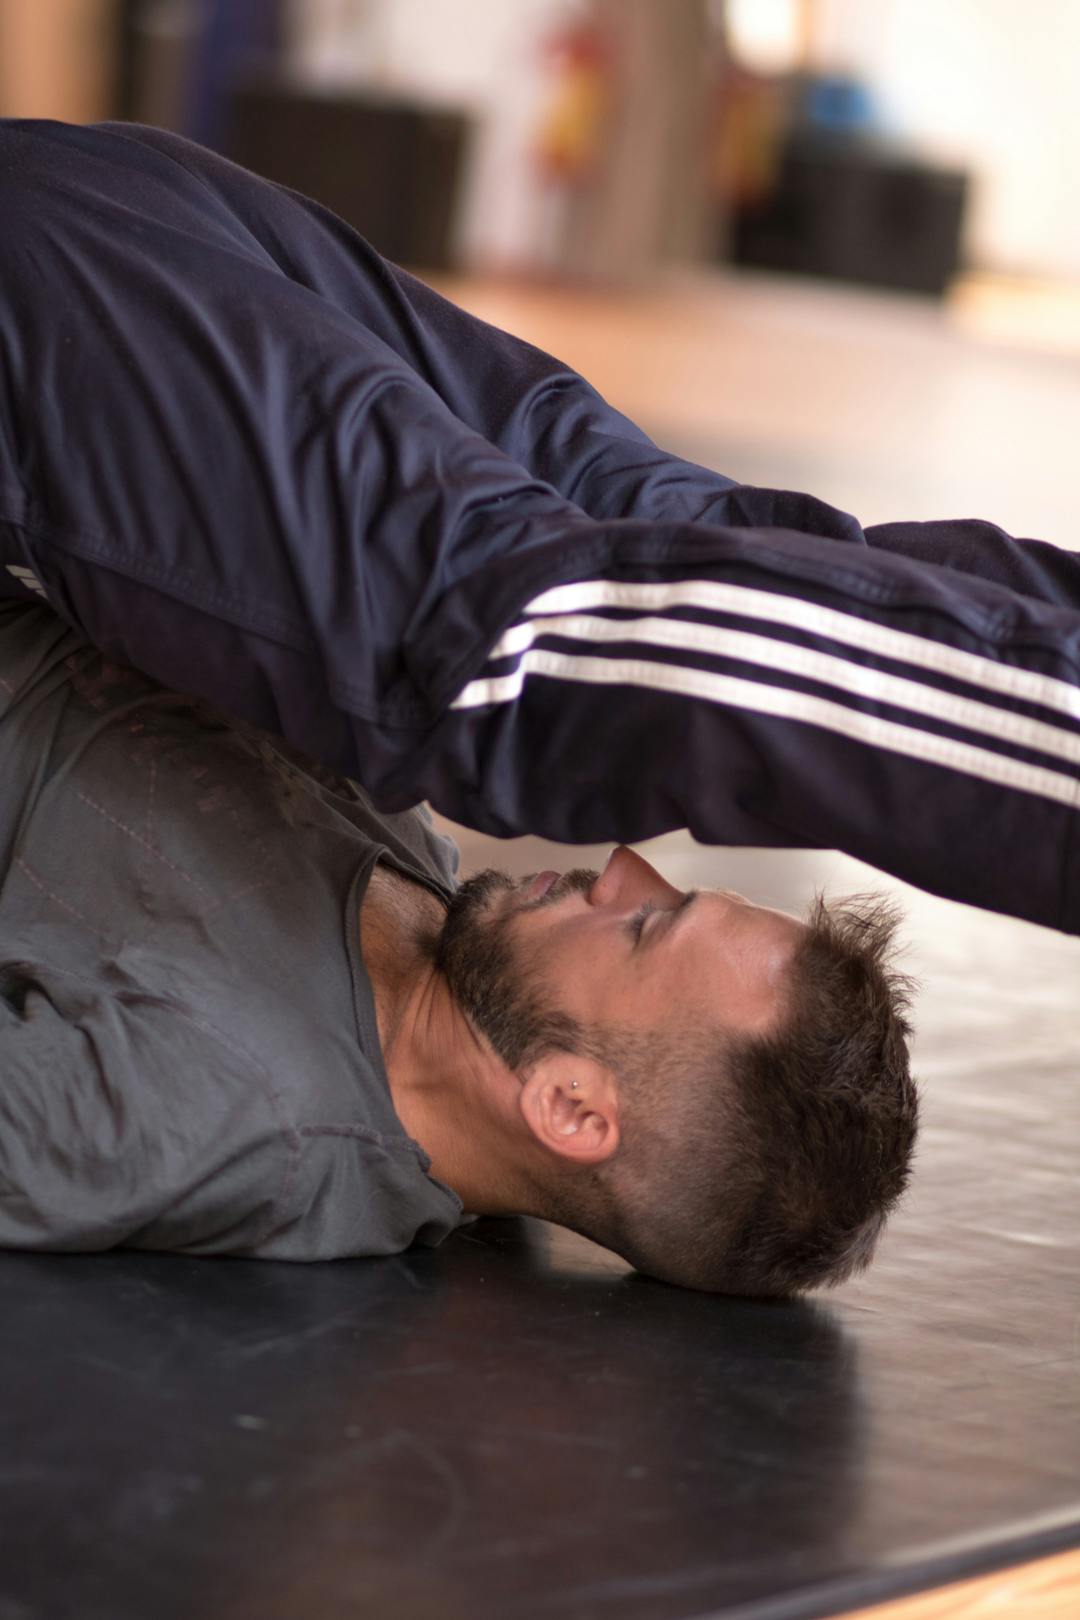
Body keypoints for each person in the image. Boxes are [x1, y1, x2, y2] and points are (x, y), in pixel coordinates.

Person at [0, 118, 1073, 1289]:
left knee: (515, 642)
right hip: (86, 257)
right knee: (656, 534)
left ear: (568, 1104)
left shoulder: (209, 1102)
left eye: (648, 924)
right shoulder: (418, 892)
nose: (625, 865)